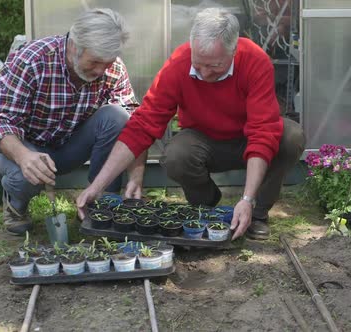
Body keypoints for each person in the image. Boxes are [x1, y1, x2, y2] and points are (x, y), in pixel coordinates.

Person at [76, 7, 305, 240]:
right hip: (203, 140)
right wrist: (97, 187)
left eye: (215, 66)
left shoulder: (255, 61)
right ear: (192, 47)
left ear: (233, 50)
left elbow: (262, 132)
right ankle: (206, 207)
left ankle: (257, 213)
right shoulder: (179, 63)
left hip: (247, 139)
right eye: (199, 64)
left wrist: (246, 199)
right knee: (176, 154)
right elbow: (142, 125)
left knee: (290, 136)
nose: (205, 73)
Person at [0, 8, 140, 235]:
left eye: (107, 63)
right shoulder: (33, 60)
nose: (100, 70)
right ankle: (17, 205)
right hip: (19, 148)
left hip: (65, 148)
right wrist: (25, 157)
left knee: (119, 117)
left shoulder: (112, 68)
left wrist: (136, 175)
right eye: (94, 62)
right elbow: (1, 123)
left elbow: (135, 126)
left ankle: (101, 201)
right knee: (21, 175)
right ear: (75, 46)